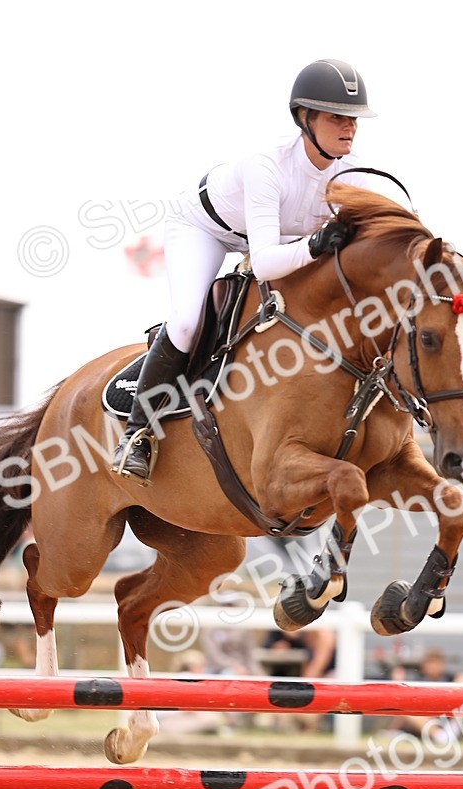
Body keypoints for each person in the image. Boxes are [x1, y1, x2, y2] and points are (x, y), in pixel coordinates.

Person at [112, 59, 377, 482]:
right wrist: (313, 246)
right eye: (336, 118)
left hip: (271, 240)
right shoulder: (267, 166)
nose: (348, 128)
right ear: (304, 119)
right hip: (206, 230)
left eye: (353, 120)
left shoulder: (356, 175)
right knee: (186, 322)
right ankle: (137, 434)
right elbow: (268, 262)